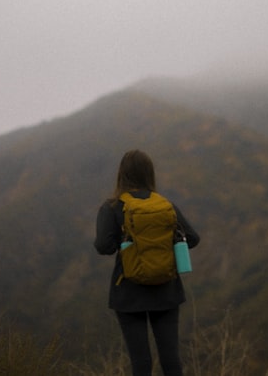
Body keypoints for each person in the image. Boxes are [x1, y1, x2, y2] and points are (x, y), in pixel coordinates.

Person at [94, 149, 200, 376]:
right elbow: (192, 238)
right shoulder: (164, 205)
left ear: (122, 174)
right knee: (171, 359)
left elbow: (103, 246)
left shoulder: (112, 207)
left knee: (141, 362)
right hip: (166, 290)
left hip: (129, 293)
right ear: (149, 174)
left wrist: (126, 243)